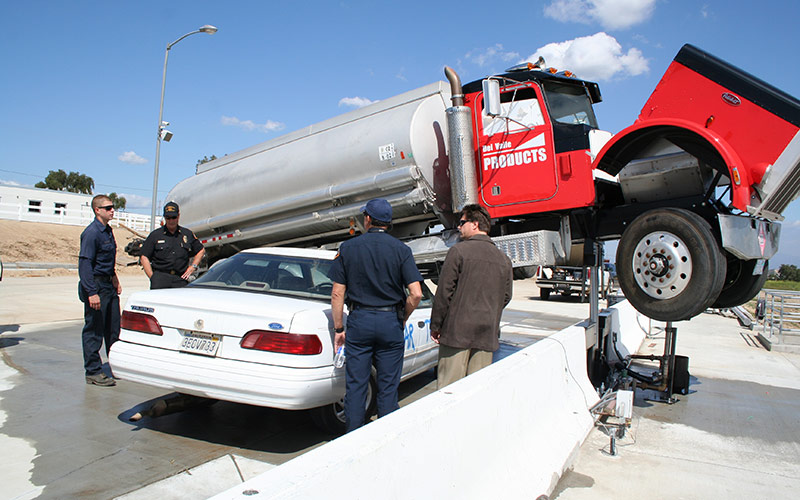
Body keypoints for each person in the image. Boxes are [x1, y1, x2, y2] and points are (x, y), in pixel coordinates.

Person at [330, 198, 423, 432]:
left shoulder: (348, 248)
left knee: (356, 386)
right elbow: (416, 293)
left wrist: (339, 329)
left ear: (368, 219)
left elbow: (337, 294)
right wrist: (402, 316)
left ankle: (353, 437)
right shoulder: (402, 250)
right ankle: (384, 438)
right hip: (389, 321)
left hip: (360, 321)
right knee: (388, 387)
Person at [430, 203, 513, 389]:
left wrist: (436, 325)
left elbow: (444, 293)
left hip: (456, 334)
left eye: (462, 222)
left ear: (475, 224)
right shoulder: (504, 259)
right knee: (477, 392)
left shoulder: (458, 251)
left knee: (449, 391)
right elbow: (506, 296)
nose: (459, 227)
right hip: (487, 335)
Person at [78, 195, 122, 387]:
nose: (112, 210)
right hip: (96, 286)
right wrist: (91, 292)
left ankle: (115, 366)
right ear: (97, 210)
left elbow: (107, 261)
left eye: (113, 207)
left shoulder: (107, 231)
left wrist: (114, 279)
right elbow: (85, 264)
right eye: (108, 208)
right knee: (94, 330)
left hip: (108, 285)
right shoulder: (92, 233)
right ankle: (93, 371)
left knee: (113, 329)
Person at [140, 202, 205, 289]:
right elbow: (144, 256)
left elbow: (201, 250)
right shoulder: (155, 235)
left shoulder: (186, 234)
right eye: (168, 218)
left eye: (174, 217)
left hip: (180, 279)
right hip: (160, 279)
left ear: (178, 216)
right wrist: (152, 277)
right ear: (164, 217)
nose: (171, 221)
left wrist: (193, 267)